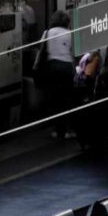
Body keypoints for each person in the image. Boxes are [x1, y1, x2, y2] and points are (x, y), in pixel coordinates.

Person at [40, 10, 76, 140]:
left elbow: (41, 49)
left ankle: (56, 130)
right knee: (67, 99)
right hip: (66, 67)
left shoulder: (47, 32)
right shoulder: (70, 33)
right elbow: (72, 52)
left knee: (55, 99)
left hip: (52, 67)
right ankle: (67, 130)